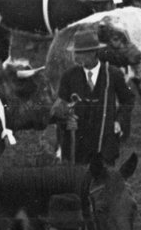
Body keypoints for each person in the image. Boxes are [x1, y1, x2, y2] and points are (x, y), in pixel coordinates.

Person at [54, 26, 129, 166]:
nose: (76, 57)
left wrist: (119, 121)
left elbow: (128, 100)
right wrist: (66, 119)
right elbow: (59, 108)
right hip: (78, 145)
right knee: (79, 182)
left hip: (104, 142)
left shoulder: (113, 74)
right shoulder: (69, 76)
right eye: (76, 52)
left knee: (103, 182)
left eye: (81, 53)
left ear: (94, 52)